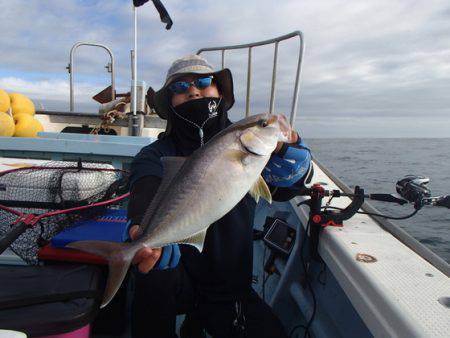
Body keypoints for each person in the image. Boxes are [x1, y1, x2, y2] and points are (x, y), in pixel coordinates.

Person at [127, 54, 312, 338]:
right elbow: (145, 188)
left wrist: (293, 159)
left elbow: (287, 189)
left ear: (220, 92)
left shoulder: (251, 152)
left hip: (231, 287)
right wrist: (140, 227)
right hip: (174, 278)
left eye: (204, 81)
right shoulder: (156, 154)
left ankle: (202, 323)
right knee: (151, 276)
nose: (193, 90)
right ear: (170, 102)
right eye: (180, 87)